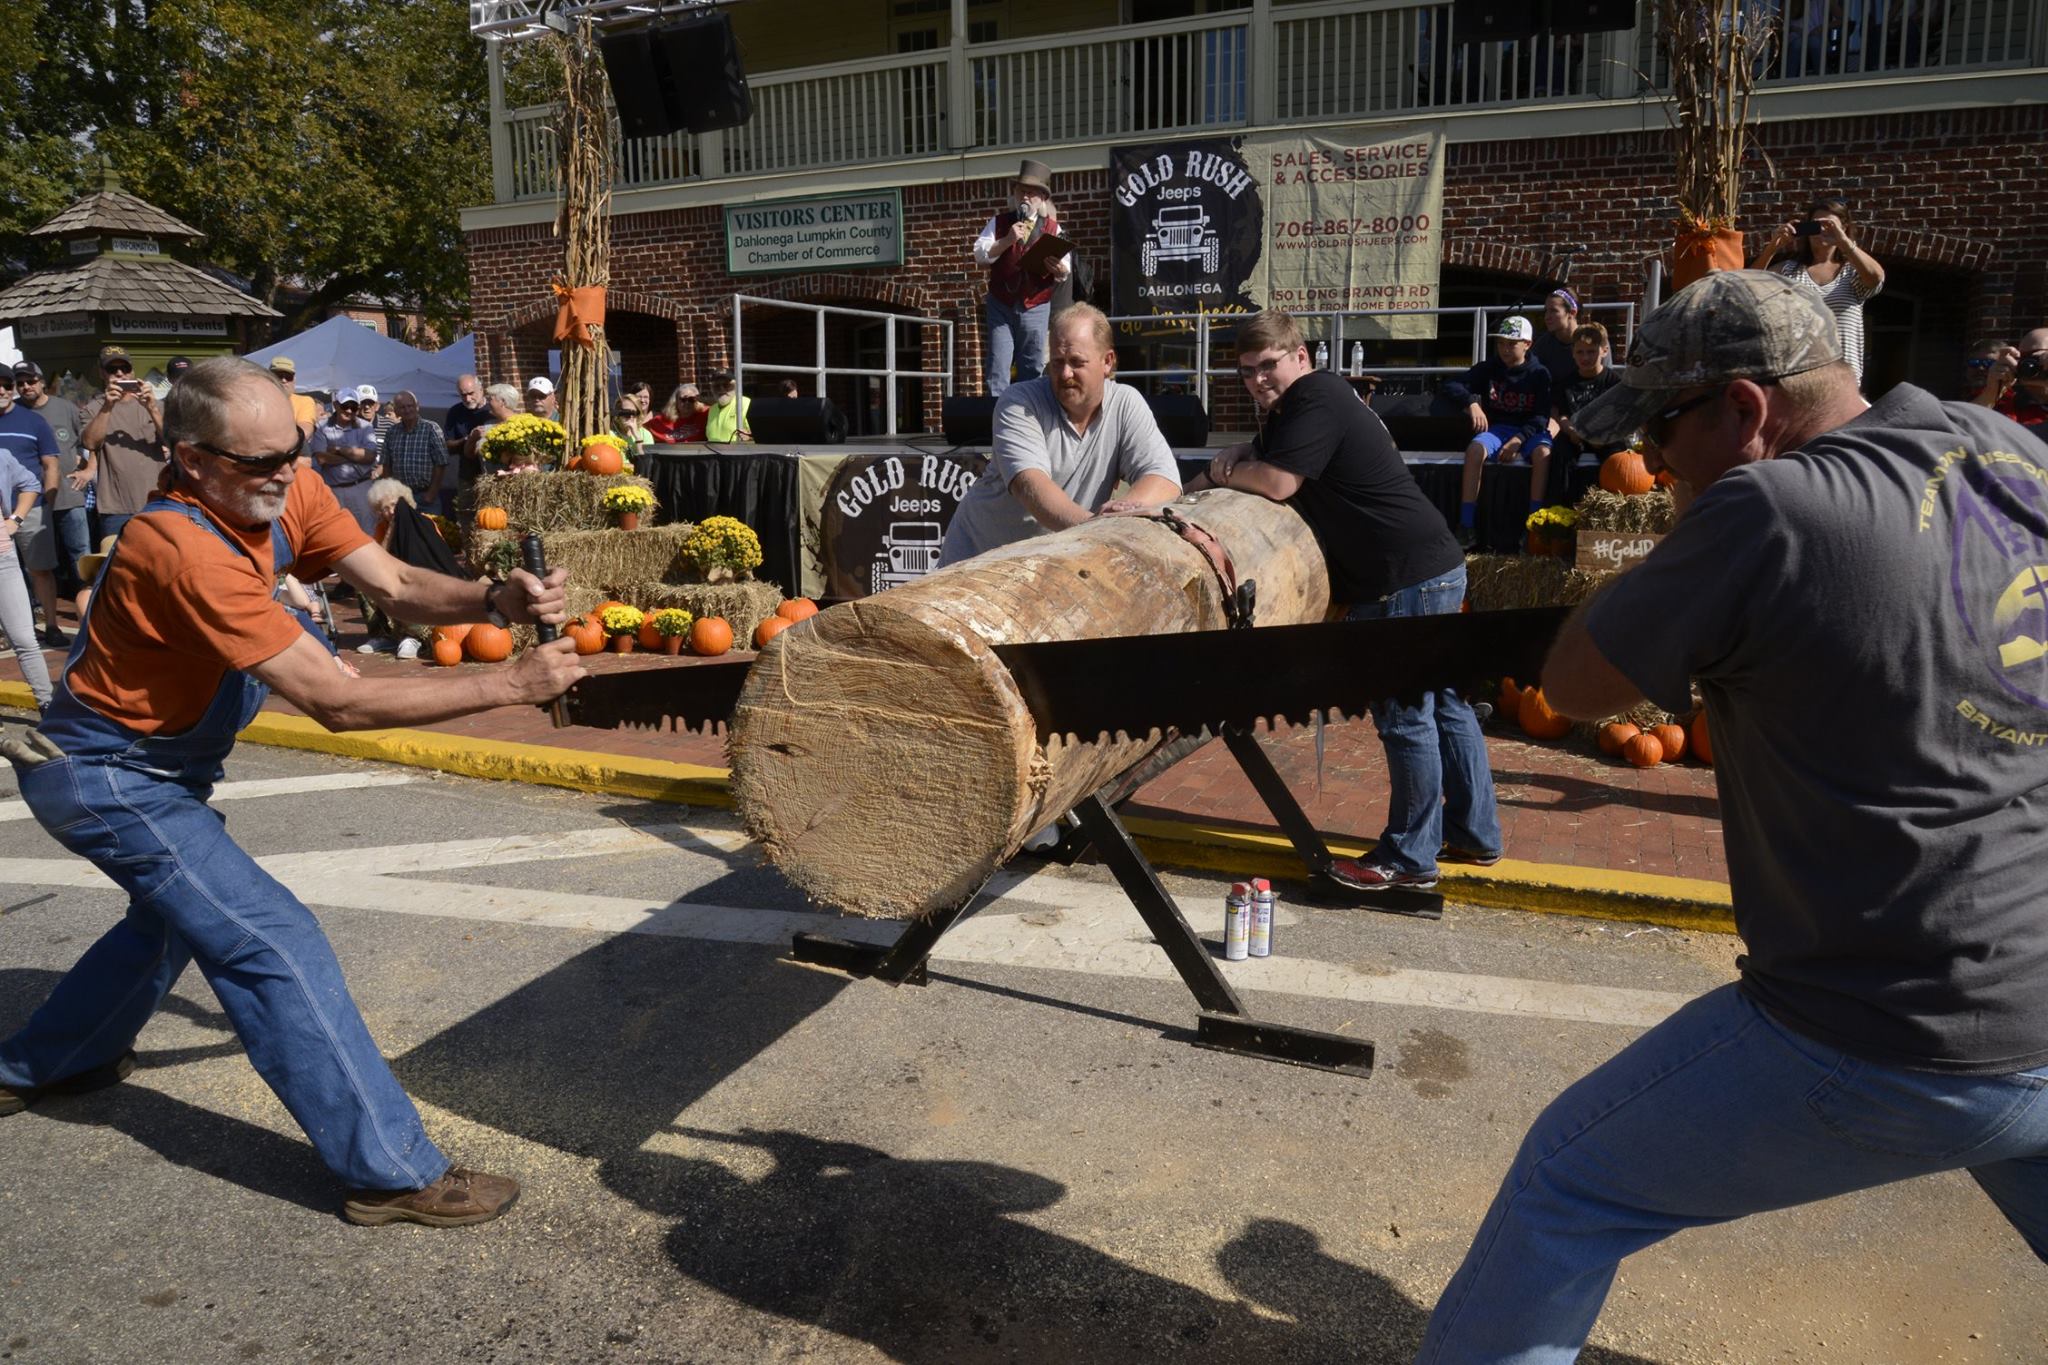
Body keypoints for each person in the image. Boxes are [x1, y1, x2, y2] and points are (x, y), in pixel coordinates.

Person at [1416, 270, 2048, 1361]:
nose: (1655, 467)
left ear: (1744, 411)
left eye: (1663, 438)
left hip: (1897, 1020)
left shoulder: (1765, 506)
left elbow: (1573, 688)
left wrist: (1688, 530)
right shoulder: (2008, 452)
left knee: (1565, 1188)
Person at [0, 357, 585, 1226]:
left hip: (161, 770)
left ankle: (48, 1060)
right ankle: (389, 1172)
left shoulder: (281, 486)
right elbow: (336, 699)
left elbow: (391, 585)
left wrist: (492, 598)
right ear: (193, 459)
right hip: (106, 777)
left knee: (175, 920)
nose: (286, 473)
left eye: (295, 448)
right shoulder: (180, 547)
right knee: (270, 938)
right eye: (261, 462)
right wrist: (507, 687)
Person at [1185, 309, 1494, 890]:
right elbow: (1242, 463)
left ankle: (1409, 858)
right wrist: (1176, 498)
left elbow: (1277, 483)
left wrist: (1232, 473)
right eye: (1246, 371)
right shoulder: (1292, 413)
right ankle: (1477, 835)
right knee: (1446, 705)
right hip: (1429, 565)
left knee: (1407, 718)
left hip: (1403, 578)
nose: (1257, 380)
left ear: (1301, 356)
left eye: (1268, 365)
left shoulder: (1317, 396)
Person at [940, 303, 1180, 565]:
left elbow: (1165, 478)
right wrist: (1097, 529)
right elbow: (1030, 485)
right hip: (977, 562)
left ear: (1107, 362)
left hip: (1050, 565)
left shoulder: (1126, 403)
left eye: (1077, 362)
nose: (1065, 374)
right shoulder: (1019, 402)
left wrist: (1125, 510)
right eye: (1057, 362)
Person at [1749, 194, 1885, 383]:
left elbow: (1875, 277)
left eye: (1829, 225)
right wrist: (1773, 247)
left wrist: (1843, 241)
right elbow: (1750, 286)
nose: (1822, 230)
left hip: (1844, 381)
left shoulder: (1851, 272)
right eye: (1816, 225)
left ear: (1843, 229)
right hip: (1799, 379)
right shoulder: (1789, 271)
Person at [1446, 316, 1553, 548]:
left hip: (1529, 431)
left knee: (1543, 454)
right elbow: (1452, 385)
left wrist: (1518, 440)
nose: (1505, 349)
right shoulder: (1489, 368)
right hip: (1498, 429)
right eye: (1501, 343)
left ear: (1527, 344)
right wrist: (1471, 403)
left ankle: (1534, 527)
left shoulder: (1539, 373)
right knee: (1474, 450)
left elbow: (1541, 417)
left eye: (1511, 343)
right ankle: (1466, 526)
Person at [973, 157, 1071, 397]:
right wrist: (1007, 240)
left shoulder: (1053, 228)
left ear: (1043, 199)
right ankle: (997, 420)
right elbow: (980, 254)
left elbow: (1064, 270)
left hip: (1035, 304)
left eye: (1032, 193)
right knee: (998, 364)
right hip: (1001, 303)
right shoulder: (999, 223)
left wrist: (1058, 269)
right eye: (1021, 191)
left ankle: (1031, 419)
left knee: (1032, 366)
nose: (1025, 197)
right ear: (1014, 194)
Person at [14, 362, 91, 615]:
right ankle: (40, 610)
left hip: (69, 496)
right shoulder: (13, 413)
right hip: (32, 503)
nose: (26, 386)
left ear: (42, 381)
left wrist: (88, 470)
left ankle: (90, 608)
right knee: (36, 563)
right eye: (20, 383)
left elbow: (92, 442)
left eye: (31, 381)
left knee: (80, 557)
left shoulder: (65, 408)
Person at [1531, 320, 1626, 509]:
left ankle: (1612, 508)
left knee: (1619, 458)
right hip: (1575, 435)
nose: (1585, 357)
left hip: (1605, 436)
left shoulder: (1614, 383)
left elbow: (1618, 416)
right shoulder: (1567, 383)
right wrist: (1570, 429)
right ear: (1573, 353)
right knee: (1559, 453)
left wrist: (1597, 434)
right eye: (1580, 352)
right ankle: (1560, 508)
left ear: (1604, 351)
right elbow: (1562, 415)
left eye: (1591, 352)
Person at [0, 367, 64, 646]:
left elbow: (51, 465)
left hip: (30, 509)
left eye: (6, 385)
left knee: (40, 569)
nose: (1, 391)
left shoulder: (34, 422)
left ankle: (51, 624)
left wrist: (45, 504)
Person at [77, 345, 166, 544]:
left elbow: (174, 441)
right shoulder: (93, 409)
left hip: (158, 501)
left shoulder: (156, 405)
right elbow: (90, 442)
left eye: (125, 369)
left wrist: (151, 407)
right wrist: (108, 406)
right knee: (119, 568)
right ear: (102, 373)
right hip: (115, 508)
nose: (120, 374)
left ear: (132, 372)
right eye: (112, 369)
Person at [0, 425, 55, 712]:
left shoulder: (2, 456)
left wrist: (16, 520)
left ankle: (49, 708)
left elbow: (31, 484)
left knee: (24, 639)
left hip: (3, 560)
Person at [310, 388, 381, 534]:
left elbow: (370, 456)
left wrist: (338, 449)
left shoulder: (365, 427)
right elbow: (322, 458)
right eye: (345, 406)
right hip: (333, 491)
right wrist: (355, 456)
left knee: (368, 534)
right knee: (336, 534)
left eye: (354, 407)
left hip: (361, 489)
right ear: (335, 405)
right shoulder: (322, 426)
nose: (349, 410)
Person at [377, 390, 447, 509]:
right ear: (397, 411)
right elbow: (386, 465)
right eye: (402, 407)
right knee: (401, 528)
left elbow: (441, 463)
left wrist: (431, 493)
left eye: (410, 406)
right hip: (400, 496)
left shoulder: (431, 429)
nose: (407, 410)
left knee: (429, 527)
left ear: (417, 406)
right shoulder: (391, 432)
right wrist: (390, 492)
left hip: (425, 495)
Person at [1971, 326, 2048, 433]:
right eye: (2025, 358)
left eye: (2038, 358)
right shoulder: (2002, 399)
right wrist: (1991, 392)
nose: (2030, 365)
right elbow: (1963, 427)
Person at [442, 373, 493, 514]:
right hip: (467, 475)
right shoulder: (455, 412)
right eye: (462, 395)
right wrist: (468, 439)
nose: (467, 398)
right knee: (467, 517)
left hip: (492, 475)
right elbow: (448, 446)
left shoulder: (492, 410)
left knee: (493, 517)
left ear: (481, 390)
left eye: (471, 393)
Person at [1529, 287, 1580, 382]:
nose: (1547, 317)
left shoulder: (1592, 340)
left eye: (1554, 311)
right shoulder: (1543, 343)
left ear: (1572, 313)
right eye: (1546, 311)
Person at [268, 356, 318, 437]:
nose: (284, 380)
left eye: (288, 377)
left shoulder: (304, 401)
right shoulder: (258, 401)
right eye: (278, 376)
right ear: (269, 378)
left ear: (294, 380)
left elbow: (305, 430)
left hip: (294, 448)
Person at [703, 370, 751, 444]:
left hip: (738, 454)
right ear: (712, 389)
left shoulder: (746, 404)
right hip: (713, 454)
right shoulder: (712, 409)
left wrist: (750, 436)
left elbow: (763, 433)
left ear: (735, 386)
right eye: (717, 386)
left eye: (726, 385)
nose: (722, 389)